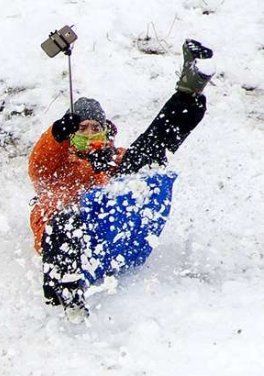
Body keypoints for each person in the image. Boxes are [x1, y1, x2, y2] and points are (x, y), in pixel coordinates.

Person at [29, 39, 213, 315]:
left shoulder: (116, 158)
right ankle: (68, 297)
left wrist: (106, 166)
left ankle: (189, 91)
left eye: (95, 127)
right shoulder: (59, 167)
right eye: (82, 128)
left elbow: (147, 154)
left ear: (106, 131)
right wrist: (57, 134)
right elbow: (39, 164)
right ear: (71, 133)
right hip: (75, 247)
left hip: (118, 239)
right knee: (65, 219)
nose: (90, 134)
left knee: (146, 154)